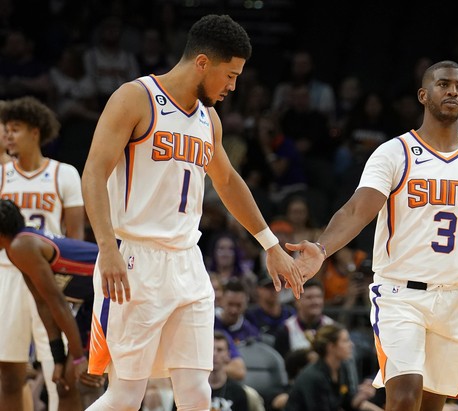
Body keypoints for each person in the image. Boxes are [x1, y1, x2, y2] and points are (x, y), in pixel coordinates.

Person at [81, 14, 303, 411]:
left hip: (188, 262)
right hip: (135, 258)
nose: (233, 87)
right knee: (126, 395)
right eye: (230, 75)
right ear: (203, 62)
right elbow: (94, 173)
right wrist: (106, 248)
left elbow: (228, 181)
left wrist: (269, 243)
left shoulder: (208, 118)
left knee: (198, 393)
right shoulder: (135, 98)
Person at [288, 60, 458, 411]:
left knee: (431, 405)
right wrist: (322, 248)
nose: (453, 91)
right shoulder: (394, 152)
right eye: (443, 84)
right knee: (405, 395)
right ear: (423, 95)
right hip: (401, 294)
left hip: (456, 297)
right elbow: (356, 210)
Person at [0, 96, 85, 411]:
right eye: (6, 129)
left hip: (51, 277)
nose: (8, 135)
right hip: (7, 276)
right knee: (9, 377)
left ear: (35, 132)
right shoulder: (1, 176)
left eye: (15, 129)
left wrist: (73, 289)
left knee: (61, 378)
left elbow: (75, 238)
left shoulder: (64, 173)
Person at [0, 199, 105, 410]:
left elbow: (57, 302)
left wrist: (76, 358)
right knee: (65, 386)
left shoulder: (23, 245)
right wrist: (59, 357)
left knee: (82, 381)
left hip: (110, 292)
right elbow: (43, 304)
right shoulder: (15, 249)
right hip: (92, 299)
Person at [285, 323, 382, 411]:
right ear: (331, 347)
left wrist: (361, 396)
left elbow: (347, 403)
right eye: (345, 341)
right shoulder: (314, 377)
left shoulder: (342, 367)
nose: (351, 345)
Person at [209, 331, 249, 411]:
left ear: (228, 355)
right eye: (211, 349)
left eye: (220, 350)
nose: (214, 354)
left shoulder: (237, 392)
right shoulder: (193, 389)